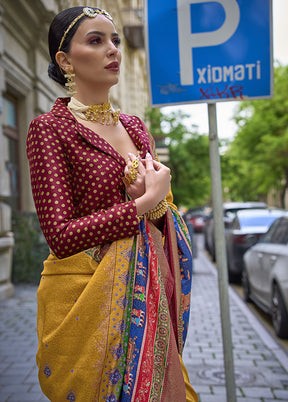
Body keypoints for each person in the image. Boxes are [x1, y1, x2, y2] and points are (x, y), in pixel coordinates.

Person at [26, 6, 198, 401]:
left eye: (115, 41)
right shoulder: (49, 129)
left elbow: (159, 217)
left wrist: (157, 207)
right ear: (65, 60)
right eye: (96, 40)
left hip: (147, 292)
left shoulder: (136, 127)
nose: (113, 50)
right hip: (85, 302)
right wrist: (143, 203)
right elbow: (60, 235)